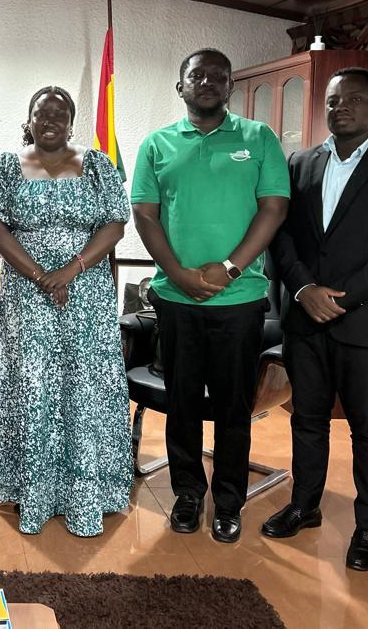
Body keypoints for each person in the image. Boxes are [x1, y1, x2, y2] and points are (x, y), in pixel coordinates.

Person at [263, 67, 368, 571]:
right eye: (334, 101)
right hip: (305, 318)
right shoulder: (299, 163)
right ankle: (304, 506)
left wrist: (341, 297)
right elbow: (282, 235)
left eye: (355, 99)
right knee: (307, 420)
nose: (342, 108)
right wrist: (303, 290)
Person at [131, 48, 289, 544]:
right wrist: (178, 274)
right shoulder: (156, 144)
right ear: (180, 86)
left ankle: (228, 501)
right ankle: (187, 493)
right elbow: (145, 214)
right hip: (175, 299)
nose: (207, 82)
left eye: (218, 76)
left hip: (239, 300)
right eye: (196, 75)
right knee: (181, 402)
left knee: (232, 407)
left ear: (230, 87)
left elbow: (274, 207)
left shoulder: (258, 138)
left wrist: (229, 267)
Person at [0, 86, 134, 537]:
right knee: (32, 385)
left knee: (82, 385)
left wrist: (69, 270)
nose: (49, 121)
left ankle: (86, 490)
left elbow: (115, 225)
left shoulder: (98, 165)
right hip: (26, 298)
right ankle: (30, 488)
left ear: (71, 121)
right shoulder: (6, 166)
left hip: (85, 294)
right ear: (28, 120)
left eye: (59, 114)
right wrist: (40, 275)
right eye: (41, 113)